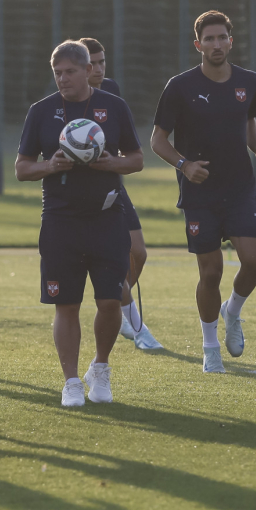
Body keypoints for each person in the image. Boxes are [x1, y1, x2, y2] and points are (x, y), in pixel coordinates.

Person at [16, 40, 143, 407]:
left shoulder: (113, 106)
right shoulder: (41, 111)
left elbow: (136, 160)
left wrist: (110, 163)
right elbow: (22, 168)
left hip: (107, 218)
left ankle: (100, 369)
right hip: (59, 221)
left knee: (110, 301)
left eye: (70, 72)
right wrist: (50, 166)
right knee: (65, 304)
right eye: (57, 73)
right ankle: (71, 382)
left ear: (89, 71)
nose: (62, 79)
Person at [150, 10, 256, 374]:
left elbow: (247, 124)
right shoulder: (180, 86)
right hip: (200, 194)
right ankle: (210, 347)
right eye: (210, 39)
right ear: (198, 44)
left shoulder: (249, 82)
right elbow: (157, 140)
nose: (216, 44)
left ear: (231, 41)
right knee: (211, 272)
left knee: (255, 259)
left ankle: (232, 311)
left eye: (222, 38)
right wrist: (184, 165)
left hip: (239, 189)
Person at [79, 37, 162, 350]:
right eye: (92, 63)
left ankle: (116, 306)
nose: (98, 69)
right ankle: (139, 328)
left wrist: (115, 161)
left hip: (113, 185)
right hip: (82, 193)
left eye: (102, 62)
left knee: (138, 253)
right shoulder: (66, 98)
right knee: (111, 260)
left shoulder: (110, 91)